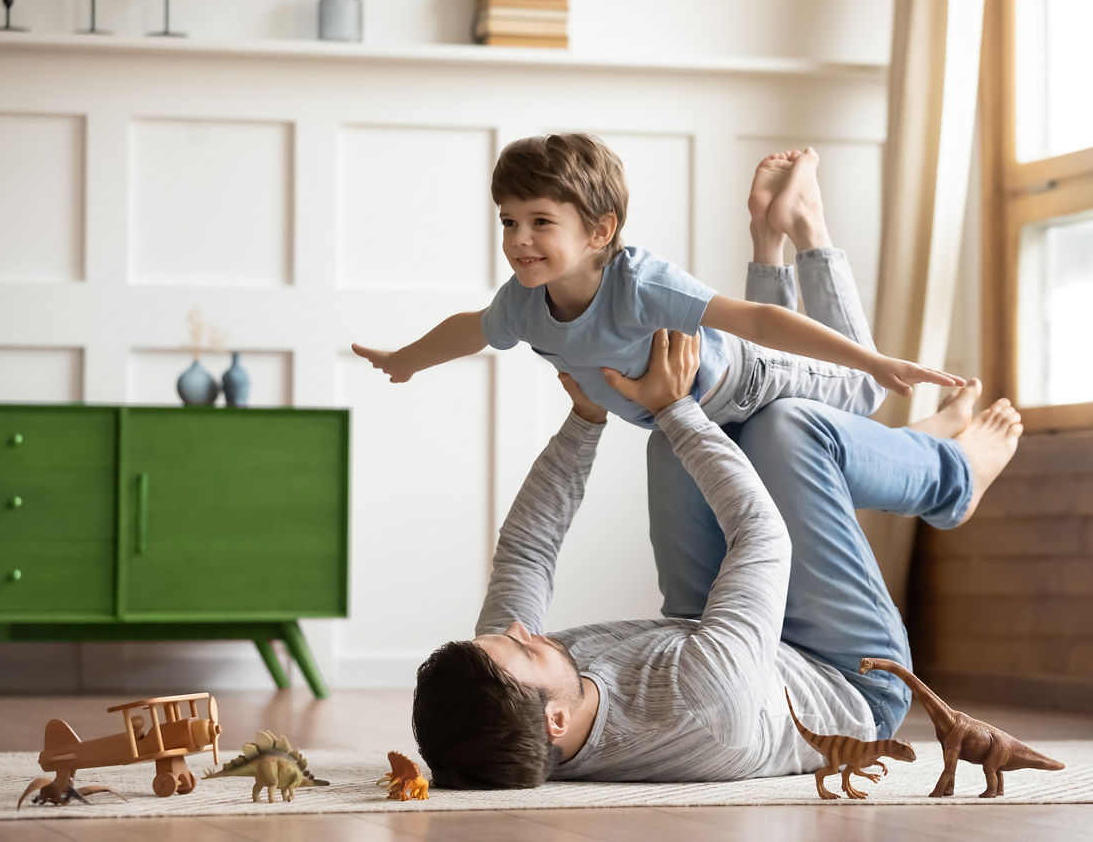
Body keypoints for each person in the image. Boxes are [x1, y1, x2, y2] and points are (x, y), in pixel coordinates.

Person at [410, 325, 1022, 789]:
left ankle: (906, 444)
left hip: (710, 633)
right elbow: (763, 536)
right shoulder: (705, 705)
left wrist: (585, 417)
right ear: (555, 726)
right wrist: (675, 408)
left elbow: (526, 551)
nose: (521, 631)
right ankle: (952, 476)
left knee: (676, 446)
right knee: (786, 429)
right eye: (520, 647)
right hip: (847, 675)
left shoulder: (511, 696)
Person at [352, 135, 963, 433]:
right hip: (698, 413)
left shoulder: (638, 282)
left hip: (746, 381)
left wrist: (875, 361)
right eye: (509, 221)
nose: (518, 239)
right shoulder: (522, 304)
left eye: (541, 222)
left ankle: (806, 227)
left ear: (599, 231)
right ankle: (770, 232)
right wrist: (408, 360)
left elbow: (753, 321)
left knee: (865, 394)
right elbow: (473, 329)